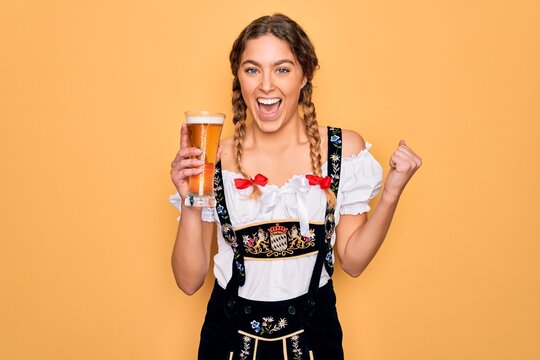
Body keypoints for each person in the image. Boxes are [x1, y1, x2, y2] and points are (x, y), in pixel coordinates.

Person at [169, 13, 421, 360]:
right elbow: (189, 280)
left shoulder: (342, 151)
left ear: (305, 76)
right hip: (228, 345)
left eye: (282, 69)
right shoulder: (213, 157)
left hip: (316, 344)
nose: (267, 85)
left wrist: (392, 191)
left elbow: (353, 261)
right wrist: (189, 201)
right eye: (252, 69)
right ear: (239, 78)